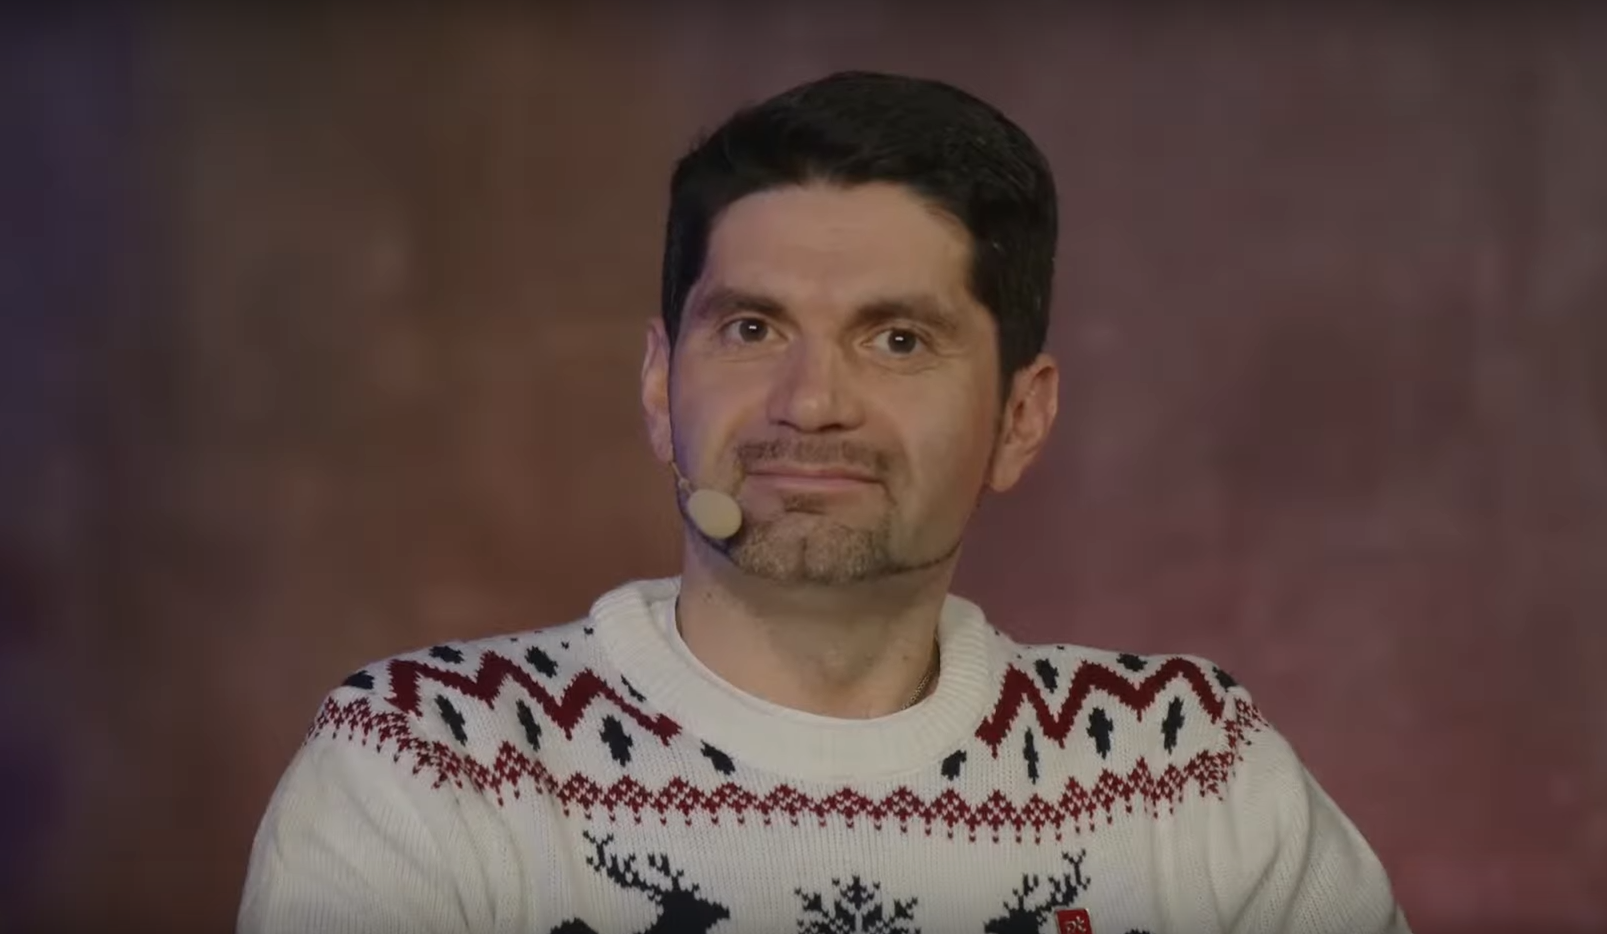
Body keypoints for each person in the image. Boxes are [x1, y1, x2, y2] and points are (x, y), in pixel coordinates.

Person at [239, 71, 1410, 934]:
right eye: (751, 328)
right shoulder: (423, 763)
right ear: (659, 384)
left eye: (897, 339)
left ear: (1019, 416)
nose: (810, 403)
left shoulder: (1189, 770)